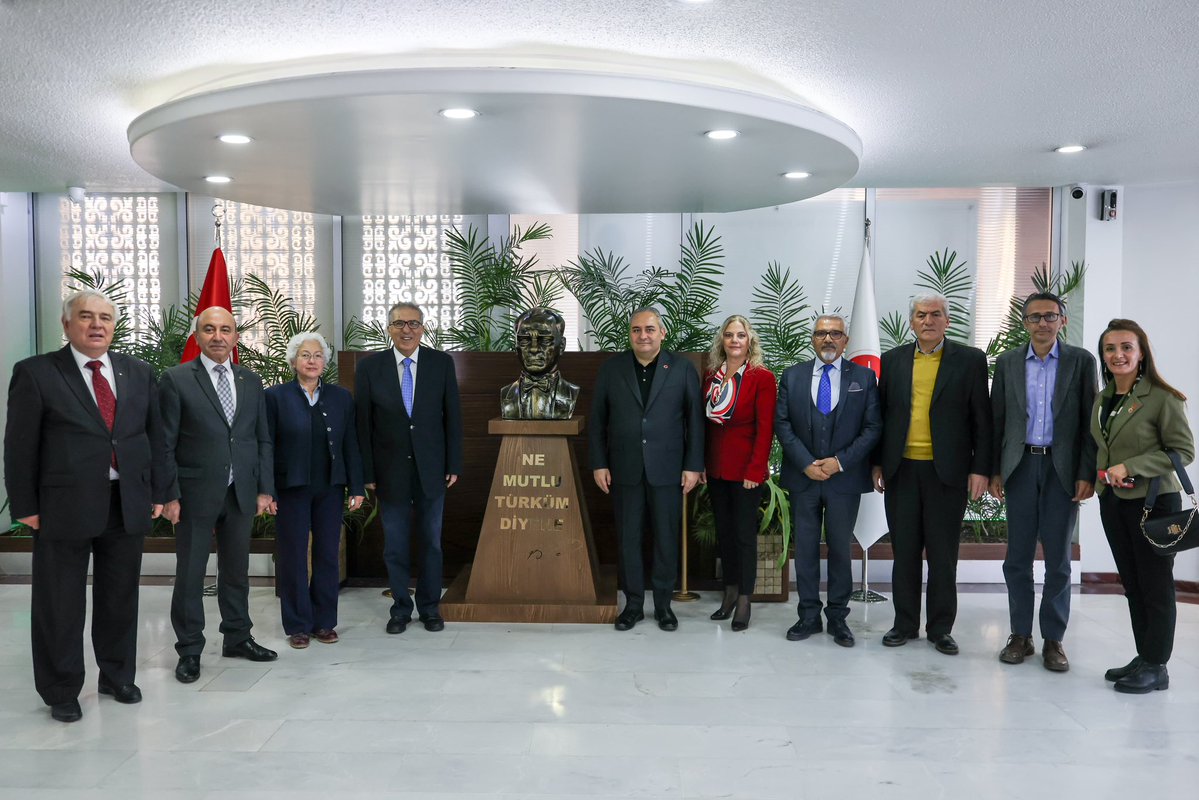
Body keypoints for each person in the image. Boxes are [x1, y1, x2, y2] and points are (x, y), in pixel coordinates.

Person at [4, 290, 168, 723]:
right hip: (62, 506)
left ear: (114, 326)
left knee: (120, 597)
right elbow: (20, 445)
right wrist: (24, 505)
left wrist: (158, 493)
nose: (97, 325)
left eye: (105, 318)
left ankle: (116, 676)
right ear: (67, 324)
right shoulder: (36, 373)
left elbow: (153, 438)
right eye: (86, 317)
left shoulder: (137, 372)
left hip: (125, 501)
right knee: (60, 601)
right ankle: (60, 688)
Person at [160, 307, 277, 684]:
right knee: (191, 574)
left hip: (240, 491)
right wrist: (169, 494)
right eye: (209, 329)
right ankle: (190, 650)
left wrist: (264, 488)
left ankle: (238, 637)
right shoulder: (176, 379)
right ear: (197, 335)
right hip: (193, 493)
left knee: (236, 572)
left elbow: (261, 438)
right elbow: (165, 443)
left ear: (236, 336)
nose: (217, 336)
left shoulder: (250, 380)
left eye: (225, 329)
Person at [872, 293, 991, 655]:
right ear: (912, 322)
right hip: (901, 470)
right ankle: (904, 624)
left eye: (935, 314)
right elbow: (881, 416)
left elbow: (981, 420)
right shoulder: (891, 361)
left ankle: (941, 628)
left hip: (948, 473)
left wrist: (980, 469)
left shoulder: (970, 360)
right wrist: (877, 462)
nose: (928, 320)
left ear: (947, 321)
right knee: (904, 552)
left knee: (942, 555)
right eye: (921, 315)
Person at [990, 293, 1097, 672]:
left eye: (1050, 316)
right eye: (1034, 317)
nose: (1042, 323)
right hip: (1019, 468)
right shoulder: (1007, 363)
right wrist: (995, 470)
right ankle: (1020, 635)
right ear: (1024, 323)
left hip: (1061, 472)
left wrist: (1086, 473)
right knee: (1017, 557)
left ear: (1062, 321)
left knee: (1058, 560)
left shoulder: (1082, 362)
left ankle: (1054, 639)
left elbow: (1090, 424)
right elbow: (996, 420)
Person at [1092, 318, 1194, 694]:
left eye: (1126, 347)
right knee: (1132, 583)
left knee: (1156, 585)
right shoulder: (1103, 398)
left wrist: (1132, 466)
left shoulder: (1163, 397)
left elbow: (1183, 451)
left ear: (1141, 353)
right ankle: (1145, 655)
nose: (1118, 355)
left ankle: (1158, 665)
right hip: (1114, 502)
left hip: (1154, 503)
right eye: (1110, 348)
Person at [590, 307, 704, 631]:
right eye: (637, 330)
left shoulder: (681, 369)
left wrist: (693, 466)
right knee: (629, 539)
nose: (643, 335)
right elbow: (598, 421)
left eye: (650, 329)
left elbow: (695, 423)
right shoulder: (612, 369)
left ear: (662, 333)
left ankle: (664, 606)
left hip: (668, 470)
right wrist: (599, 462)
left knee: (666, 539)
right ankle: (634, 605)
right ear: (630, 334)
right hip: (623, 469)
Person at [355, 302, 462, 634]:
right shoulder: (370, 368)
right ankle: (401, 608)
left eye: (413, 324)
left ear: (423, 328)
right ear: (388, 329)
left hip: (432, 469)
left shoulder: (441, 364)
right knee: (396, 544)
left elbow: (453, 418)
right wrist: (367, 473)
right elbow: (363, 426)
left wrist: (453, 463)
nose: (406, 330)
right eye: (399, 323)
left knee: (432, 542)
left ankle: (430, 608)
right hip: (389, 473)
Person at [776, 314, 881, 647]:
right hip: (803, 478)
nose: (828, 339)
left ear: (846, 340)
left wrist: (839, 462)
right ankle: (808, 615)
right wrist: (806, 463)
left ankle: (837, 616)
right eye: (821, 333)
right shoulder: (792, 376)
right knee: (805, 548)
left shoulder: (864, 378)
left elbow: (873, 428)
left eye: (835, 333)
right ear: (813, 339)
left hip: (843, 481)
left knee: (839, 549)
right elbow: (782, 424)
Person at [265, 333, 365, 649]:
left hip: (330, 487)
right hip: (290, 488)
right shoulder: (275, 397)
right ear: (293, 361)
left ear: (325, 362)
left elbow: (351, 443)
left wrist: (357, 485)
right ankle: (297, 624)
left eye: (318, 355)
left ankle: (324, 622)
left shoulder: (340, 397)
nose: (312, 361)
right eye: (305, 355)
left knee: (326, 555)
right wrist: (266, 490)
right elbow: (265, 446)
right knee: (293, 556)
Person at [701, 315, 776, 631]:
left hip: (746, 470)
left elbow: (765, 428)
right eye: (729, 335)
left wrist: (756, 469)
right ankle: (729, 592)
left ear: (749, 341)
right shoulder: (712, 377)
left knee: (745, 536)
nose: (734, 340)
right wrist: (703, 464)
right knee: (726, 534)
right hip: (716, 469)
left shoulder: (761, 377)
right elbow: (705, 425)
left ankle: (745, 599)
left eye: (740, 335)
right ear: (722, 341)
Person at [500, 306, 580, 419]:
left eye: (545, 340)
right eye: (524, 340)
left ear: (562, 346)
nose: (534, 349)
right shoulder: (506, 394)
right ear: (516, 346)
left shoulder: (571, 393)